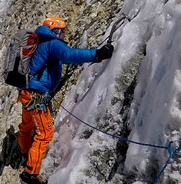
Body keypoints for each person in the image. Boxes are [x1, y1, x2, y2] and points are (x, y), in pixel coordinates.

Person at [17, 15, 114, 184]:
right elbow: (69, 54)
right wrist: (97, 54)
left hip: (26, 92)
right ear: (56, 31)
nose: (64, 35)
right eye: (62, 32)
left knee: (27, 125)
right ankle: (30, 173)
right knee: (45, 133)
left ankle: (25, 150)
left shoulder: (40, 42)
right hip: (36, 95)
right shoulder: (52, 43)